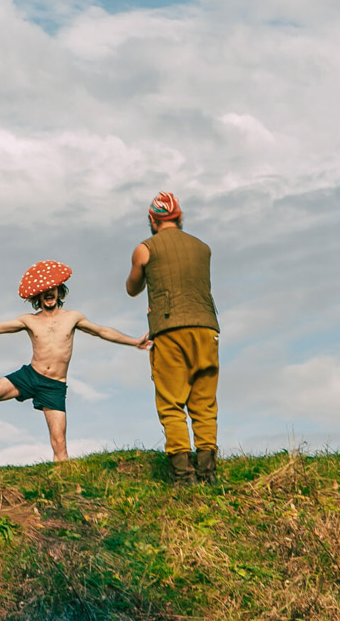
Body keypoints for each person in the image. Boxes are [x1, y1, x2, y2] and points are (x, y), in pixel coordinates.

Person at [0, 260, 149, 462]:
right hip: (30, 376)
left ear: (59, 291)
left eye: (53, 289)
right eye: (44, 290)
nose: (49, 293)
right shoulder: (30, 320)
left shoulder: (72, 318)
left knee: (60, 447)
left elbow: (102, 331)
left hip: (53, 385)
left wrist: (134, 341)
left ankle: (66, 493)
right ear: (38, 296)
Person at [125, 192, 221, 484]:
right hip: (206, 328)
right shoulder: (203, 248)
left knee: (171, 401)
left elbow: (133, 288)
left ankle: (183, 473)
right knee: (204, 401)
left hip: (169, 329)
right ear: (179, 218)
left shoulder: (145, 249)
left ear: (152, 221)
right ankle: (207, 470)